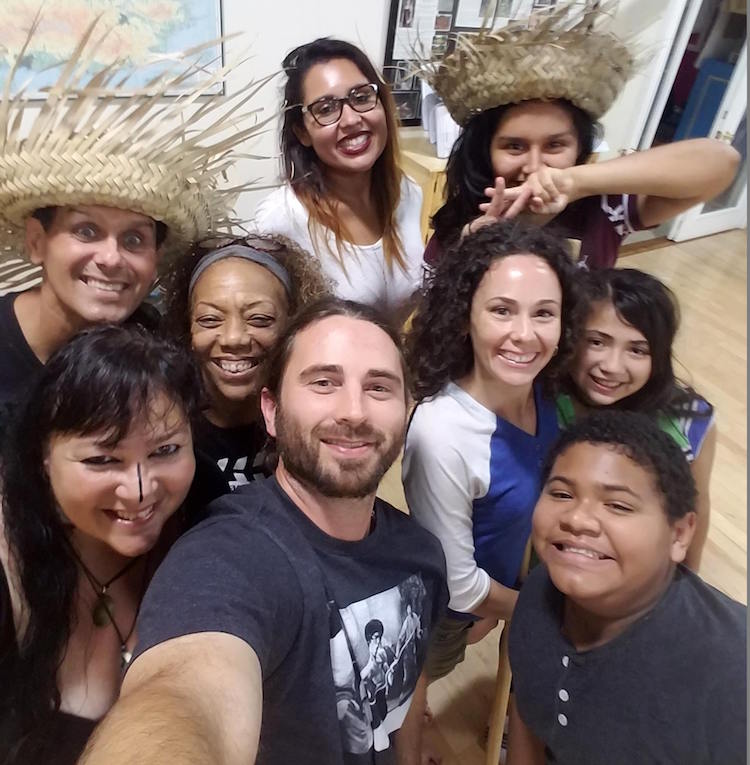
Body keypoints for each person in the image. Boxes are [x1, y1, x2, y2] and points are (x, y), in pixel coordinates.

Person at [79, 299, 448, 765]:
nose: (354, 411)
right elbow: (184, 695)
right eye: (323, 383)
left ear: (406, 410)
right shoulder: (228, 555)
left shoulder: (422, 556)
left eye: (378, 387)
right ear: (271, 411)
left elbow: (405, 701)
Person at [0, 21, 263, 427]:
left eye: (134, 239)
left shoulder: (158, 347)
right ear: (37, 242)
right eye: (86, 230)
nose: (110, 258)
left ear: (155, 258)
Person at [0, 325, 201, 765]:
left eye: (165, 451)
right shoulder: (10, 559)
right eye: (102, 460)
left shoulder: (207, 538)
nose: (140, 490)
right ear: (43, 458)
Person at [417, 4, 740, 268]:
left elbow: (721, 161)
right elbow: (430, 314)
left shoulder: (606, 208)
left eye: (555, 145)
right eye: (514, 146)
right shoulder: (460, 223)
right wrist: (468, 249)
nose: (535, 166)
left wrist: (577, 182)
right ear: (485, 150)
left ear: (580, 147)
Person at [507, 411, 746, 765]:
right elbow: (528, 713)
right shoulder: (540, 592)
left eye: (618, 505)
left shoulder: (735, 675)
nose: (576, 519)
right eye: (561, 493)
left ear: (679, 535)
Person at [402, 220, 579, 681]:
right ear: (465, 317)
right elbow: (458, 588)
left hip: (503, 590)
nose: (524, 335)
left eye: (544, 313)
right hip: (448, 611)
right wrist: (539, 614)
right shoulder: (442, 433)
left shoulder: (550, 393)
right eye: (502, 310)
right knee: (420, 679)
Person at [557, 267, 715, 570]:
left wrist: (689, 583)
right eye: (597, 342)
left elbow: (695, 506)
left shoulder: (690, 420)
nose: (612, 367)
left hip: (636, 578)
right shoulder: (539, 405)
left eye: (637, 350)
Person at [253, 38, 424, 319]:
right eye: (325, 109)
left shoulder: (407, 193)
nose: (351, 120)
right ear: (302, 132)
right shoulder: (281, 220)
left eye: (361, 97)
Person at [163, 234, 330, 491]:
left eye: (259, 319)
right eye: (210, 319)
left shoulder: (317, 430)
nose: (234, 338)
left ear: (294, 326)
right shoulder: (163, 433)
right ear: (187, 329)